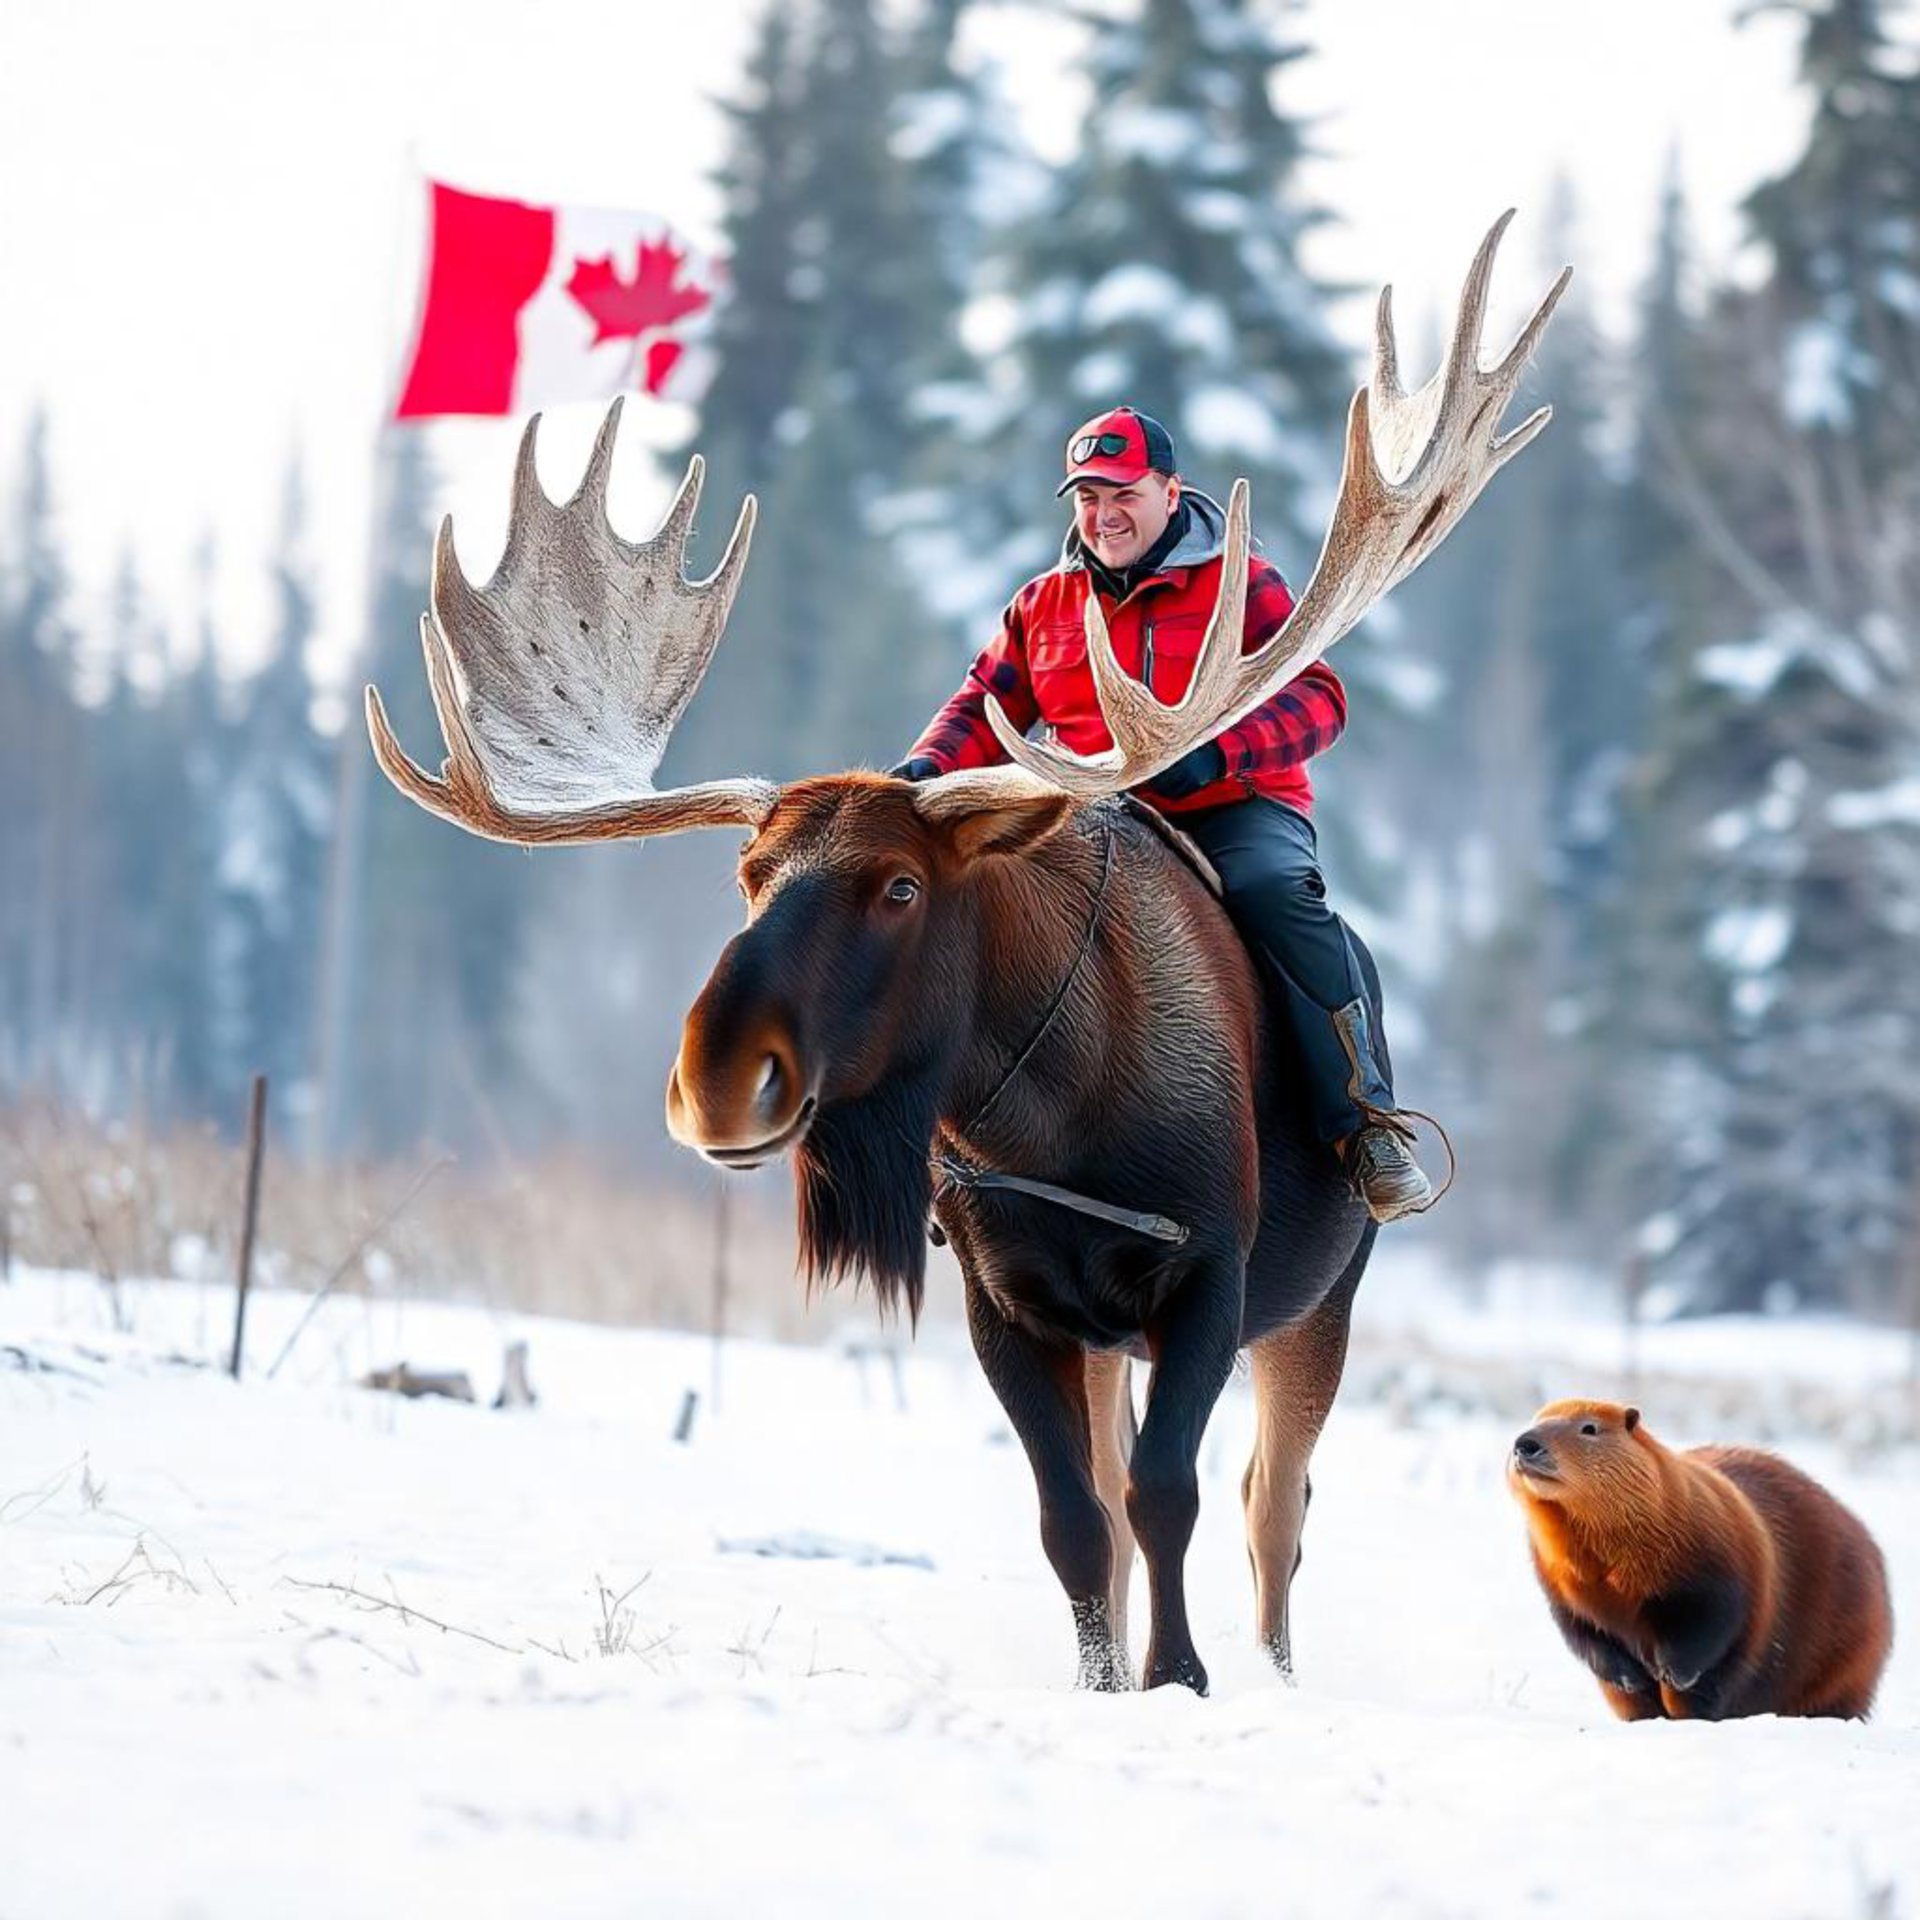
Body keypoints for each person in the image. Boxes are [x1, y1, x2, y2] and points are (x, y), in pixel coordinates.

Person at [890, 405, 1432, 1224]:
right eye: (1086, 500)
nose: (1104, 517)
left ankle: (1362, 1126)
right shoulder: (1043, 603)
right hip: (1085, 824)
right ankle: (943, 1155)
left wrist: (1220, 753)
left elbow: (1320, 703)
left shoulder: (1242, 582)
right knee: (968, 912)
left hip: (1230, 812)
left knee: (1277, 895)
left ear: (1170, 492)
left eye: (1123, 495)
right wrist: (921, 776)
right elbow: (981, 704)